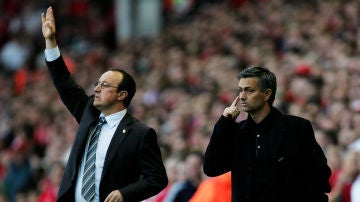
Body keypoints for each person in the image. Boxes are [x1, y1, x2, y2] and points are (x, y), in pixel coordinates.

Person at [41, 7, 168, 202]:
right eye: (97, 84)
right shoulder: (88, 112)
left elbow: (157, 179)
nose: (97, 89)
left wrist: (124, 194)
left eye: (105, 85)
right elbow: (64, 83)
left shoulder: (140, 134)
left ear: (122, 95)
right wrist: (51, 42)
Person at [203, 66, 331, 202]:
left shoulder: (296, 128)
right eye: (240, 91)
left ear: (267, 94)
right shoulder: (237, 132)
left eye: (249, 90)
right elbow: (211, 168)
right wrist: (223, 124)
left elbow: (320, 175)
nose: (242, 97)